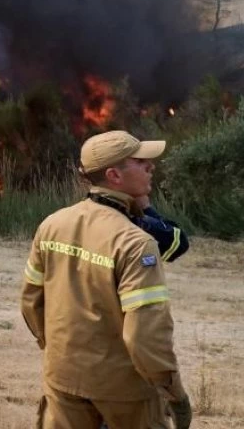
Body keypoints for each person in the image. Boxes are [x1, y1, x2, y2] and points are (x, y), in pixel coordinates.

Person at [21, 130, 192, 429]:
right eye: (140, 162)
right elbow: (144, 338)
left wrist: (61, 353)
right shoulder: (136, 243)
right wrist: (174, 394)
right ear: (114, 175)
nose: (150, 166)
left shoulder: (51, 224)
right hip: (124, 394)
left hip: (63, 380)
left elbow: (31, 302)